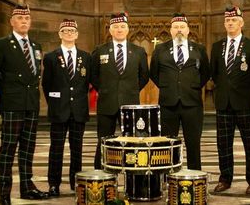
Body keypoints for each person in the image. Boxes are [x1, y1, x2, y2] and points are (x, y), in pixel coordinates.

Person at [0, 5, 49, 205]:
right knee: (8, 149)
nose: (24, 21)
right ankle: (4, 193)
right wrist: (7, 93)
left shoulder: (36, 46)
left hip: (31, 103)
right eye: (19, 18)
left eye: (27, 18)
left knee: (28, 148)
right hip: (12, 104)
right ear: (12, 22)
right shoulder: (2, 44)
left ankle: (27, 187)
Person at [210, 6, 250, 194]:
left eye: (233, 20)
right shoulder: (217, 47)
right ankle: (225, 179)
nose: (230, 23)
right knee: (223, 143)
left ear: (241, 23)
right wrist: (224, 90)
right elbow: (215, 75)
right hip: (224, 103)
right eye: (227, 21)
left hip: (245, 103)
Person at [150, 13, 210, 170]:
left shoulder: (199, 50)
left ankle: (195, 177)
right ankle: (167, 177)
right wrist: (168, 87)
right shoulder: (160, 50)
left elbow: (205, 73)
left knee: (193, 144)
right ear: (170, 30)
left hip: (192, 104)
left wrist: (192, 86)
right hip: (168, 104)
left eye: (182, 27)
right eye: (175, 27)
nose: (179, 30)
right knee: (166, 145)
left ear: (188, 30)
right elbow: (154, 74)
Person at [90, 12, 149, 169]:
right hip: (107, 104)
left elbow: (144, 76)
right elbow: (93, 75)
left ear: (128, 29)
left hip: (130, 106)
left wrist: (131, 90)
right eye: (116, 27)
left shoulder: (138, 51)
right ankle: (100, 177)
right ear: (110, 30)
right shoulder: (100, 50)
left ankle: (132, 181)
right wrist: (104, 90)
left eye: (123, 26)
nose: (119, 29)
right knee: (103, 142)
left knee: (131, 143)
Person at [42, 19, 92, 196]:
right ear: (60, 34)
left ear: (77, 34)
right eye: (65, 30)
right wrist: (56, 103)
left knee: (76, 149)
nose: (69, 33)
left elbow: (87, 83)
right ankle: (54, 184)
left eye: (72, 30)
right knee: (56, 149)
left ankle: (75, 182)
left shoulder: (86, 57)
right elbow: (46, 84)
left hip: (78, 110)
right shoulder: (50, 57)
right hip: (58, 110)